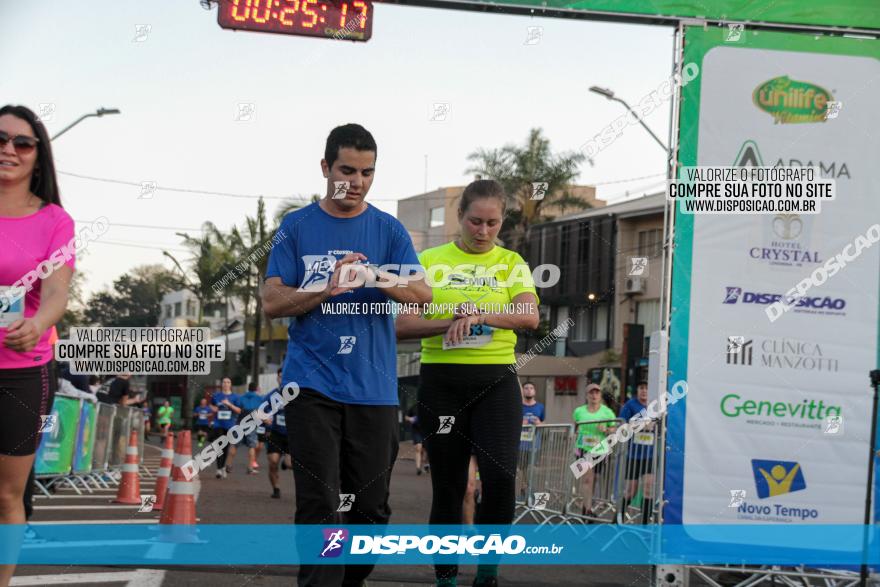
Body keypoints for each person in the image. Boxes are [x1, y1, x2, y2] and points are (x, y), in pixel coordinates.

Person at [262, 123, 431, 587]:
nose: (355, 182)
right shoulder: (296, 226)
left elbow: (422, 294)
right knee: (320, 504)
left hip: (373, 390)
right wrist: (325, 286)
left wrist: (373, 273)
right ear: (325, 168)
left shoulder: (388, 230)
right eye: (346, 170)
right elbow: (273, 302)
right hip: (310, 386)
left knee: (370, 511)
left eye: (366, 172)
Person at [396, 179, 540, 587]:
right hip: (442, 381)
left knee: (499, 480)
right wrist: (450, 319)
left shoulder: (512, 263)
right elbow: (402, 324)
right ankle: (445, 580)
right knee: (449, 486)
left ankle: (487, 574)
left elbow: (529, 318)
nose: (483, 231)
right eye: (475, 221)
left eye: (492, 223)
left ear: (502, 223)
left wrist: (479, 315)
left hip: (495, 381)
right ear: (460, 217)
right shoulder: (429, 260)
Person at [0, 104, 73, 587]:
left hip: (21, 369)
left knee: (7, 497)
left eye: (21, 143)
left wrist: (37, 323)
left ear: (37, 155)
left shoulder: (54, 221)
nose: (8, 149)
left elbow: (56, 294)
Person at [572, 383, 616, 519]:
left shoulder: (607, 412)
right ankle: (587, 510)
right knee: (587, 479)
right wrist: (575, 433)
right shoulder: (579, 411)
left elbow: (614, 429)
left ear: (600, 395)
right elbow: (574, 427)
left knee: (594, 479)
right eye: (591, 393)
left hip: (600, 450)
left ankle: (587, 505)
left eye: (597, 393)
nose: (594, 395)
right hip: (583, 448)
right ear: (587, 395)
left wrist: (607, 430)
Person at [618, 380, 656, 524]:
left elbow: (665, 424)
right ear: (637, 390)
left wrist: (654, 425)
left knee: (648, 488)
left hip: (650, 455)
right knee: (630, 491)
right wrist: (638, 426)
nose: (644, 391)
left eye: (647, 388)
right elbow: (621, 425)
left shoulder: (657, 405)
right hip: (633, 455)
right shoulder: (630, 405)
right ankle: (617, 519)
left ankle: (645, 524)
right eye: (641, 388)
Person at [263, 370, 292, 499]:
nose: (283, 379)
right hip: (275, 433)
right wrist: (264, 418)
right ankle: (276, 489)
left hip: (292, 435)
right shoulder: (272, 395)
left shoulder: (296, 395)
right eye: (281, 377)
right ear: (277, 378)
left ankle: (286, 464)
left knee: (290, 464)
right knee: (273, 462)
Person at [209, 377, 241, 479]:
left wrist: (229, 404)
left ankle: (222, 467)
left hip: (229, 425)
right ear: (222, 384)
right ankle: (218, 469)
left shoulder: (235, 397)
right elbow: (211, 405)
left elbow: (239, 410)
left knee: (225, 447)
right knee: (219, 446)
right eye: (224, 382)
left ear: (230, 384)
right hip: (218, 424)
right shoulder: (216, 396)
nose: (226, 384)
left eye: (228, 382)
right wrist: (213, 408)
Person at [239, 382, 265, 474]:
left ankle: (228, 465)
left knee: (257, 445)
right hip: (254, 424)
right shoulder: (260, 399)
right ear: (256, 389)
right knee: (253, 446)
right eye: (258, 389)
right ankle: (251, 466)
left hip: (244, 423)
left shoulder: (243, 397)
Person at [405, 404, 429, 475]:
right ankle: (418, 468)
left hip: (426, 431)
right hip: (416, 431)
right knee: (418, 447)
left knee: (426, 449)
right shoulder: (414, 407)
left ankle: (426, 464)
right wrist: (410, 419)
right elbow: (406, 417)